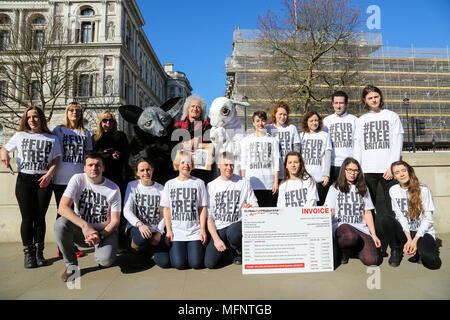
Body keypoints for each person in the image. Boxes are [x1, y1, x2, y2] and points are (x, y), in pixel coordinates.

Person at [1, 106, 61, 268]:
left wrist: (49, 175)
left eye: (35, 117)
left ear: (41, 118)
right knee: (27, 218)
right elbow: (4, 149)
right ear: (25, 120)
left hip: (44, 181)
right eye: (29, 117)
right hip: (24, 181)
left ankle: (39, 253)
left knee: (40, 218)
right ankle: (28, 254)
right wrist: (4, 153)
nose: (32, 120)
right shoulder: (20, 135)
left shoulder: (52, 137)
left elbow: (56, 160)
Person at [55, 152, 121, 282]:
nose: (94, 168)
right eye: (90, 165)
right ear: (84, 168)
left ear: (103, 168)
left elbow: (115, 220)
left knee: (105, 261)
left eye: (97, 165)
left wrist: (101, 235)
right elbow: (62, 208)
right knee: (60, 224)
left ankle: (102, 251)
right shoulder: (77, 179)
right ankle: (71, 266)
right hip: (82, 232)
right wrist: (86, 226)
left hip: (105, 233)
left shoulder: (113, 188)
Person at [380, 161, 441, 269]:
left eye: (404, 170)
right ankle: (396, 250)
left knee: (432, 263)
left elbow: (428, 219)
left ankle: (420, 250)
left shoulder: (423, 190)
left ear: (409, 171)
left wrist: (415, 241)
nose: (401, 174)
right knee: (386, 219)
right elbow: (400, 216)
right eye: (397, 172)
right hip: (406, 231)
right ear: (394, 176)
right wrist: (409, 240)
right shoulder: (393, 190)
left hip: (422, 233)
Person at [52, 102, 93, 258]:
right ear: (67, 112)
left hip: (79, 178)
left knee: (77, 212)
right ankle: (62, 247)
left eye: (77, 110)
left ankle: (72, 244)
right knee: (62, 212)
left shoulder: (86, 133)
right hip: (61, 178)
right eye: (71, 110)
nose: (74, 113)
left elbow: (88, 156)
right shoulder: (59, 130)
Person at [204, 152, 258, 268]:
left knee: (233, 232)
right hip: (219, 227)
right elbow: (209, 218)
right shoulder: (211, 186)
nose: (229, 168)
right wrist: (216, 239)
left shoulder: (243, 182)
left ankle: (238, 251)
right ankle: (227, 250)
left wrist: (249, 210)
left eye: (231, 165)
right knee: (210, 263)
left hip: (237, 224)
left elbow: (255, 206)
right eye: (226, 165)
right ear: (219, 165)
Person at [325, 157, 381, 266]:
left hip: (360, 227)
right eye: (349, 170)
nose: (352, 173)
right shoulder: (335, 187)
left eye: (355, 170)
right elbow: (330, 209)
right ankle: (343, 250)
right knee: (350, 237)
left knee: (372, 261)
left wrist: (373, 235)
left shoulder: (363, 188)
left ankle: (353, 249)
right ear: (344, 170)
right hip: (341, 226)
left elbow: (367, 212)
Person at [161, 152, 208, 269]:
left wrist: (202, 229)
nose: (186, 165)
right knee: (179, 265)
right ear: (177, 165)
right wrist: (168, 230)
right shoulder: (169, 184)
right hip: (177, 232)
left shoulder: (199, 183)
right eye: (182, 162)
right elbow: (167, 209)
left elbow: (202, 207)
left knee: (196, 264)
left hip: (194, 232)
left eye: (188, 162)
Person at [123, 158, 170, 268]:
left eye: (148, 169)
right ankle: (135, 250)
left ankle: (149, 250)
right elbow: (126, 210)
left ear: (152, 170)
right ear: (137, 173)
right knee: (142, 237)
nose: (146, 173)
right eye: (142, 170)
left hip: (155, 229)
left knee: (164, 263)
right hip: (138, 229)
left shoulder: (161, 189)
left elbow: (166, 214)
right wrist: (140, 224)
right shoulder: (132, 186)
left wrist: (159, 232)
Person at [93, 111, 130, 252]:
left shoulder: (120, 136)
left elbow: (127, 154)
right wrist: (102, 155)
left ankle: (120, 240)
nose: (108, 123)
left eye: (111, 121)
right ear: (101, 122)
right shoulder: (95, 138)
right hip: (100, 180)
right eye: (105, 121)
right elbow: (91, 158)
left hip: (118, 178)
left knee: (118, 211)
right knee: (103, 211)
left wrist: (118, 154)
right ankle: (103, 239)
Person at [240, 111, 280, 207]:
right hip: (252, 183)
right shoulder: (246, 140)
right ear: (253, 123)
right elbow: (243, 163)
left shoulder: (272, 140)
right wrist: (243, 182)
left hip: (268, 184)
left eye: (262, 121)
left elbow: (276, 163)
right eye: (257, 121)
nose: (260, 123)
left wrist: (275, 182)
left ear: (266, 122)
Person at [173, 94, 214, 183]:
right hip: (182, 167)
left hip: (201, 169)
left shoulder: (206, 125)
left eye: (198, 107)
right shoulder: (178, 125)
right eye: (193, 106)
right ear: (188, 108)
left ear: (201, 111)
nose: (195, 109)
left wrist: (198, 140)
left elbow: (211, 139)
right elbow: (173, 144)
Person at [323, 91, 357, 184]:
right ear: (332, 104)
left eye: (341, 103)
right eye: (336, 103)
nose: (338, 106)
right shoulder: (326, 121)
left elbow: (359, 144)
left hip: (349, 165)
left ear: (346, 104)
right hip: (332, 165)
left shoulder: (355, 120)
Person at [300, 110, 332, 206]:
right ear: (306, 122)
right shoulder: (301, 136)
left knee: (320, 205)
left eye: (316, 120)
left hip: (319, 178)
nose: (314, 123)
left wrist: (326, 174)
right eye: (311, 121)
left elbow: (327, 156)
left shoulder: (325, 136)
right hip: (305, 178)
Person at [266, 101, 301, 181]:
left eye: (285, 114)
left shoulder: (292, 128)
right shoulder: (269, 128)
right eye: (280, 114)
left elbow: (297, 150)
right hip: (274, 170)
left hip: (289, 170)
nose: (282, 117)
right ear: (275, 114)